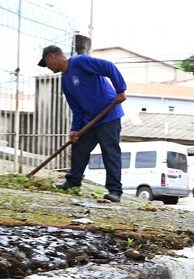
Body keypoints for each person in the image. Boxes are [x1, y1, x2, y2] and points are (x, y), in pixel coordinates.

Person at [38, 45, 127, 202]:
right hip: (90, 120)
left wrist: (120, 90)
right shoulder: (65, 81)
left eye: (46, 63)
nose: (48, 68)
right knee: (79, 149)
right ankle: (73, 182)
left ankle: (115, 191)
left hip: (109, 114)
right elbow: (77, 109)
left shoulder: (80, 61)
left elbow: (109, 67)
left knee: (110, 152)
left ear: (52, 56)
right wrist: (75, 129)